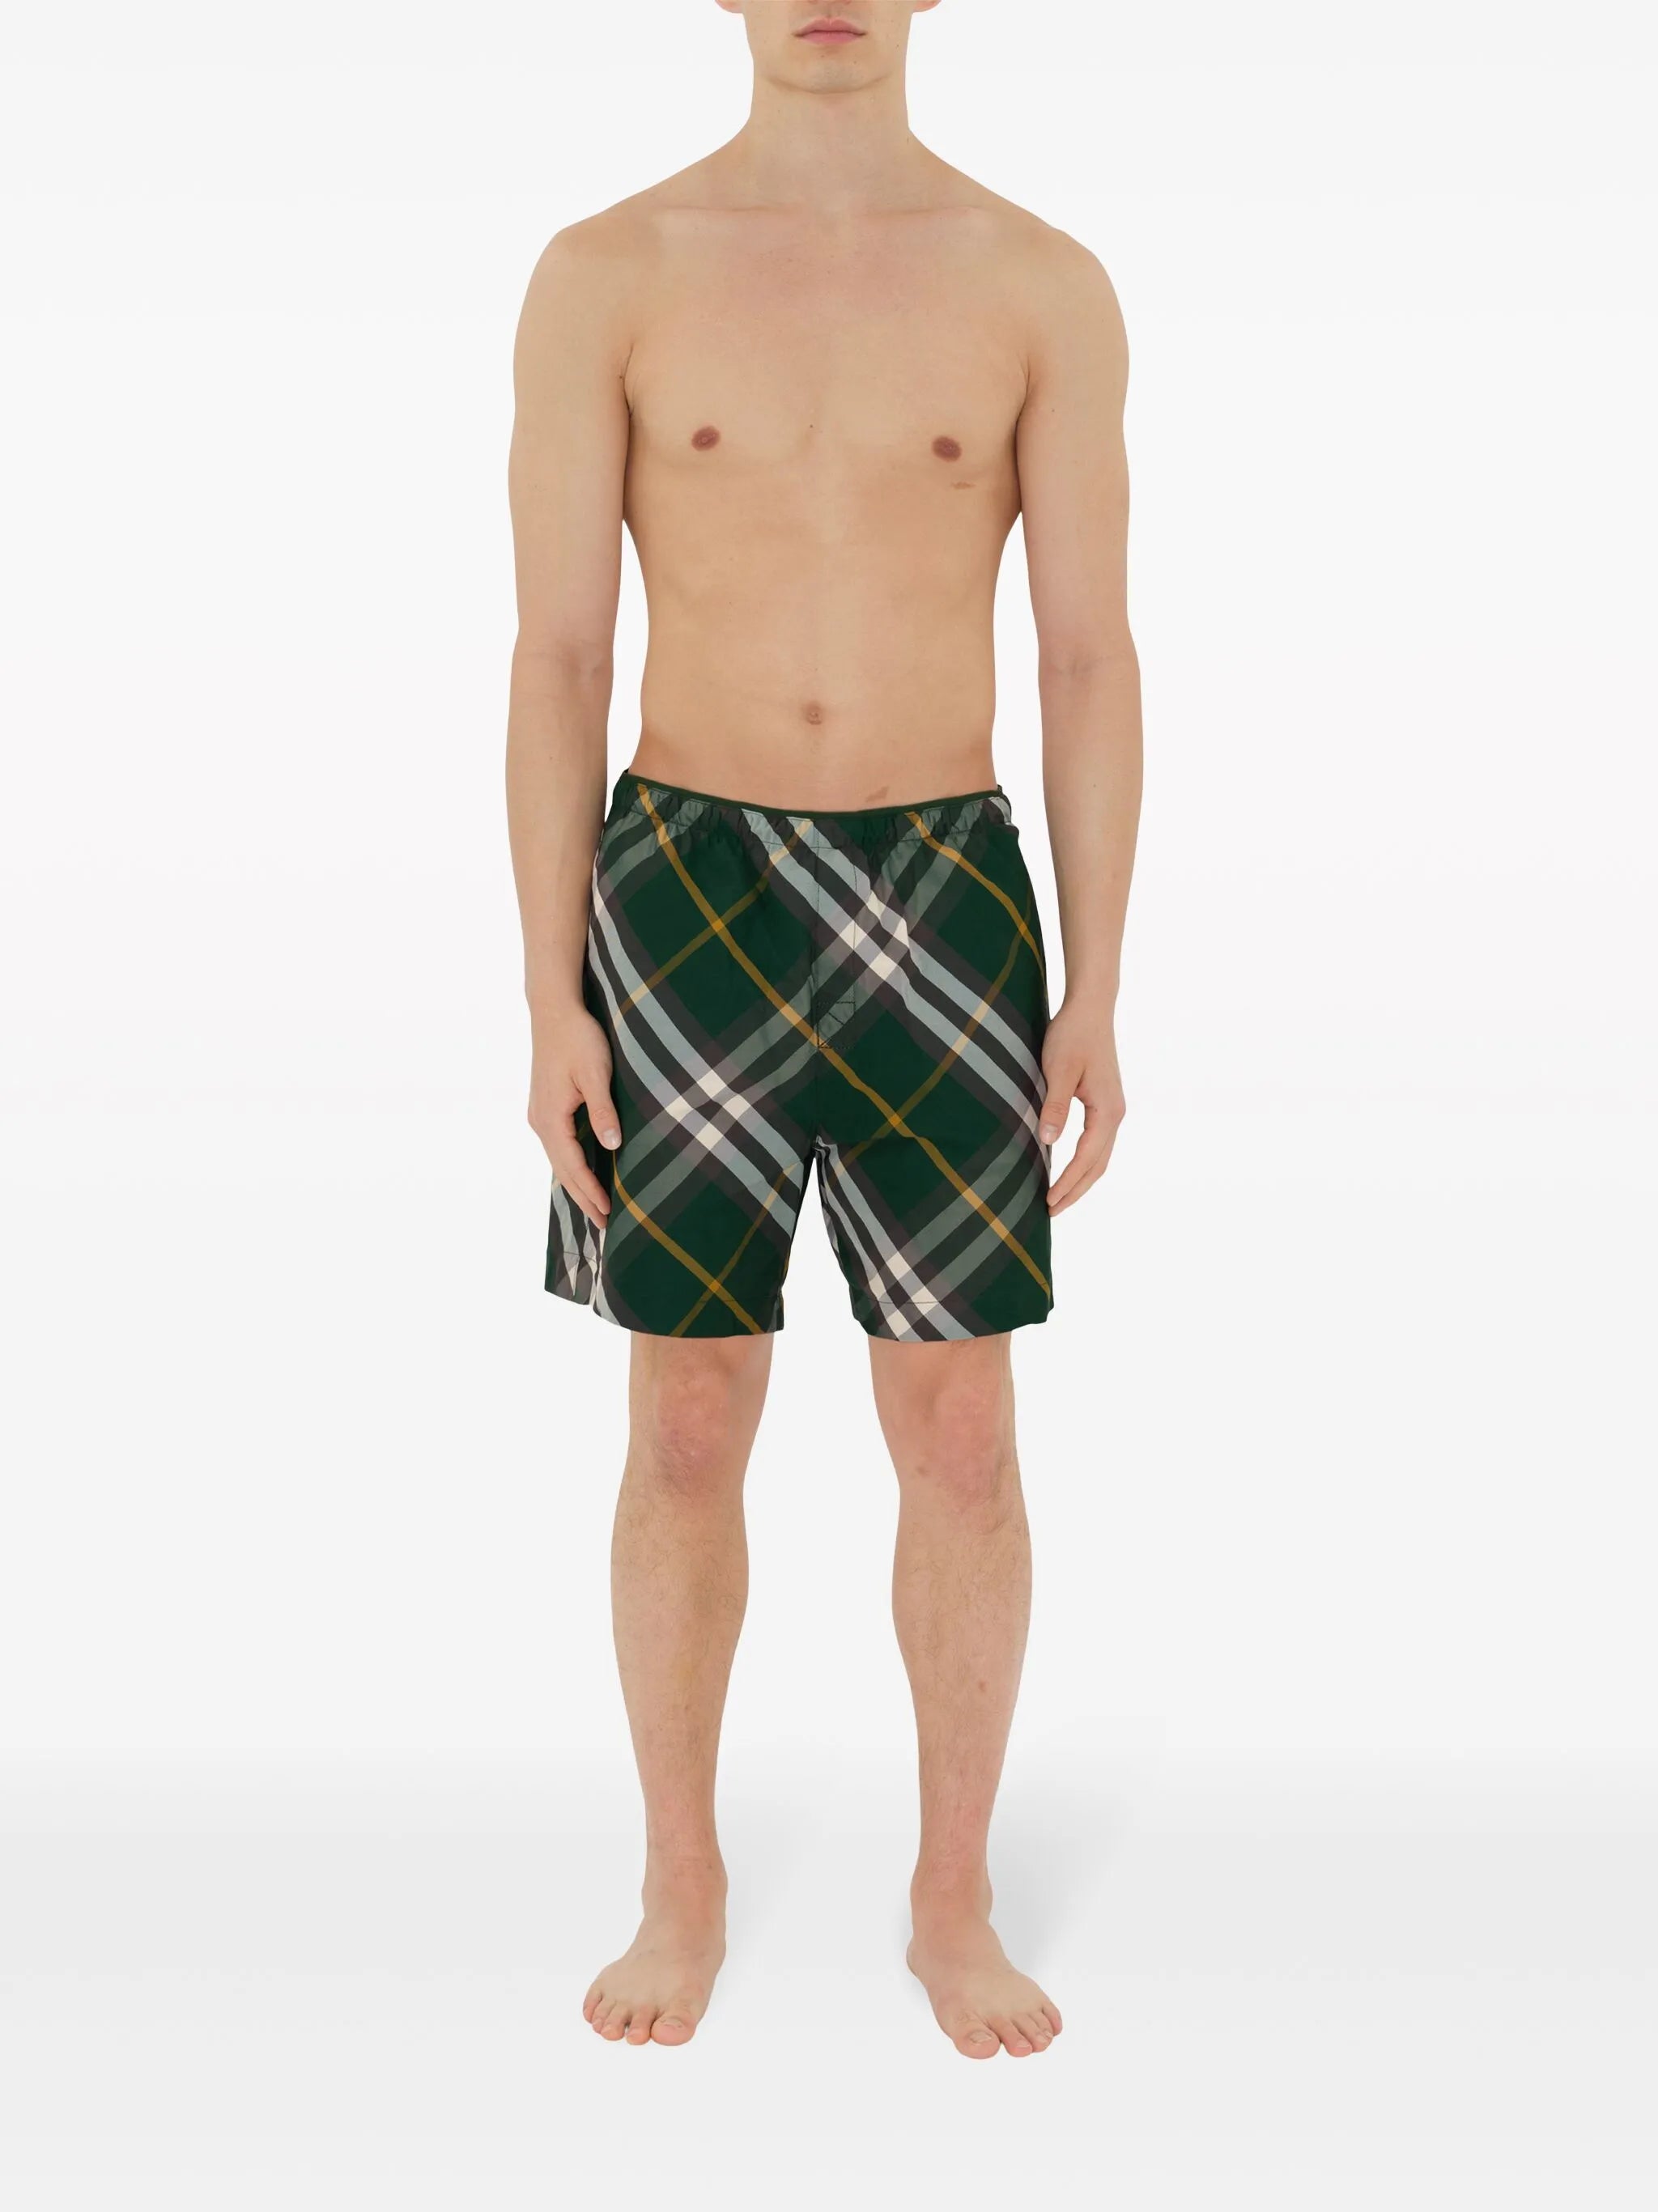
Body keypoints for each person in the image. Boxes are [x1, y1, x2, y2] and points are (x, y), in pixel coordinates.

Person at [505, 0, 1140, 2060]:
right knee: (685, 1414)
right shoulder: (607, 271)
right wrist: (546, 989)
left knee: (960, 1429)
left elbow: (1087, 654)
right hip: (682, 888)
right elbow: (557, 652)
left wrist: (1095, 980)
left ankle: (952, 1890)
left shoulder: (1038, 280)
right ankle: (678, 1874)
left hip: (944, 885)